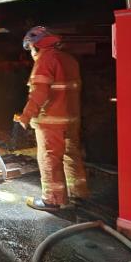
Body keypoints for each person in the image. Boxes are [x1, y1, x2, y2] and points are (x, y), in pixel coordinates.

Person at [15, 26, 89, 211]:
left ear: (35, 46)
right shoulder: (69, 60)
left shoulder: (45, 60)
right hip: (71, 119)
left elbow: (39, 93)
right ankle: (78, 193)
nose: (31, 53)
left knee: (49, 158)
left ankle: (52, 200)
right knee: (71, 155)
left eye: (30, 49)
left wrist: (25, 116)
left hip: (51, 121)